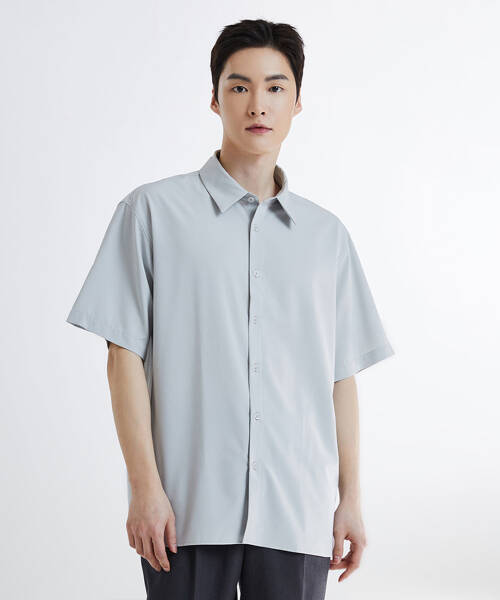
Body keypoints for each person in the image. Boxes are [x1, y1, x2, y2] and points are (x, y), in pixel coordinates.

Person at [66, 18, 395, 600]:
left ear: (297, 102)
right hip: (185, 511)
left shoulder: (327, 237)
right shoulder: (151, 213)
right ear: (215, 99)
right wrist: (144, 488)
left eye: (275, 87)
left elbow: (340, 376)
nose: (257, 104)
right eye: (239, 86)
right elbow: (123, 357)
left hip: (296, 512)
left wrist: (350, 498)